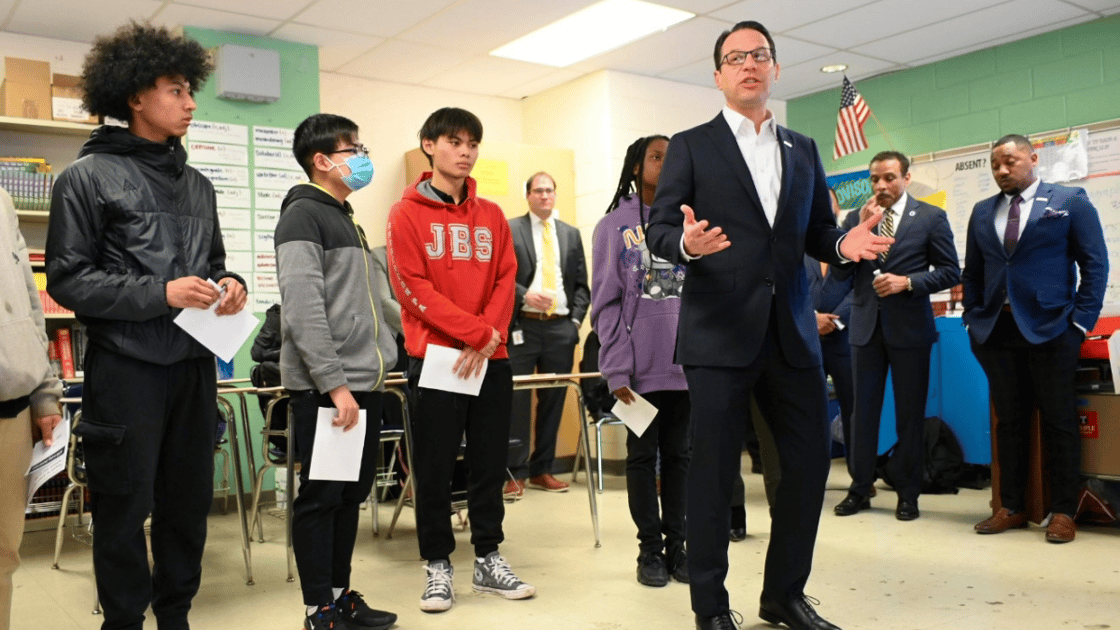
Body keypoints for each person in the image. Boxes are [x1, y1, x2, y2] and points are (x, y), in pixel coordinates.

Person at [643, 20, 891, 630]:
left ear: (775, 68)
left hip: (793, 335)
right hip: (719, 335)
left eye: (760, 55)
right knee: (713, 475)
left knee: (806, 471)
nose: (749, 64)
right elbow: (659, 233)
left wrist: (843, 242)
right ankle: (709, 607)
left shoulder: (802, 149)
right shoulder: (692, 145)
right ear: (720, 75)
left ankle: (783, 595)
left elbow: (813, 234)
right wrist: (690, 246)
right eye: (736, 57)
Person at [44, 23, 248, 630]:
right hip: (126, 367)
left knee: (188, 505)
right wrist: (159, 293)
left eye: (191, 91)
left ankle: (176, 615)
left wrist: (229, 284)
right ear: (136, 97)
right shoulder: (86, 177)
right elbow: (68, 279)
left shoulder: (199, 186)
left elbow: (210, 266)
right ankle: (125, 621)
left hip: (192, 366)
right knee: (123, 507)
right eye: (176, 90)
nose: (190, 103)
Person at [386, 107, 534, 613]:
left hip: (490, 357)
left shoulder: (491, 214)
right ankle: (437, 564)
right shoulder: (405, 213)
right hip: (438, 359)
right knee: (433, 465)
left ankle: (489, 557)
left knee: (491, 463)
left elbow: (504, 278)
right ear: (429, 145)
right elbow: (410, 287)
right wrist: (474, 334)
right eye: (454, 141)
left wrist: (487, 339)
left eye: (472, 143)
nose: (465, 151)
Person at [275, 113, 399, 630]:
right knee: (322, 497)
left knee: (350, 494)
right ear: (322, 160)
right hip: (330, 389)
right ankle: (316, 609)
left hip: (361, 383)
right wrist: (335, 384)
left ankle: (340, 595)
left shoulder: (346, 215)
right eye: (353, 149)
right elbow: (303, 310)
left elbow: (370, 301)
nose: (362, 157)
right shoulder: (303, 216)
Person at [963, 134, 1107, 543]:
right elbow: (972, 272)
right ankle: (1011, 506)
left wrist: (1079, 323)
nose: (1002, 170)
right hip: (997, 332)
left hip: (1052, 330)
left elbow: (1094, 263)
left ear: (1032, 158)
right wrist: (973, 319)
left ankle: (1063, 510)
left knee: (1060, 421)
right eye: (994, 165)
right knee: (1009, 422)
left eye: (1009, 161)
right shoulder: (981, 211)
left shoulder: (1069, 201)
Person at [832, 152, 960, 521]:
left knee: (909, 414)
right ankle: (860, 489)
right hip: (864, 328)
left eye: (889, 178)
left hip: (910, 329)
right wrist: (857, 230)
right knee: (861, 414)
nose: (881, 186)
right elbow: (840, 277)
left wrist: (909, 282)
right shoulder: (855, 220)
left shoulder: (931, 218)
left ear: (906, 177)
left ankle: (908, 493)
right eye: (875, 179)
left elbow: (950, 271)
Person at [592, 135, 691, 587]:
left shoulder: (690, 223)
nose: (665, 165)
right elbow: (605, 304)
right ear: (636, 167)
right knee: (641, 458)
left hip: (686, 365)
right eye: (656, 157)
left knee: (680, 458)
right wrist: (614, 367)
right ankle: (649, 551)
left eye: (671, 159)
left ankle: (679, 548)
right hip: (636, 369)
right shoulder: (612, 226)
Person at [1, 187, 63, 630]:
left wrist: (44, 392)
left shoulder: (2, 201)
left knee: (3, 553)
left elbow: (28, 302)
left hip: (11, 407)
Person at [507, 171, 590, 494]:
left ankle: (543, 469)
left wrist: (573, 325)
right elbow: (500, 277)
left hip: (560, 329)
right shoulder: (511, 229)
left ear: (555, 195)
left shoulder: (570, 234)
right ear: (527, 195)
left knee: (553, 399)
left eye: (549, 191)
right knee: (516, 402)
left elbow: (582, 285)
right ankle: (514, 473)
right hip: (523, 327)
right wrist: (524, 295)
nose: (544, 196)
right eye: (538, 191)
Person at [805, 188, 855, 480]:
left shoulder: (849, 244)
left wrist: (834, 322)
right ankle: (813, 475)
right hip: (806, 339)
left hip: (845, 340)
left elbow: (859, 288)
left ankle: (859, 477)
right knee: (810, 410)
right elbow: (787, 288)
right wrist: (812, 320)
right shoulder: (795, 246)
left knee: (853, 408)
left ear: (837, 209)